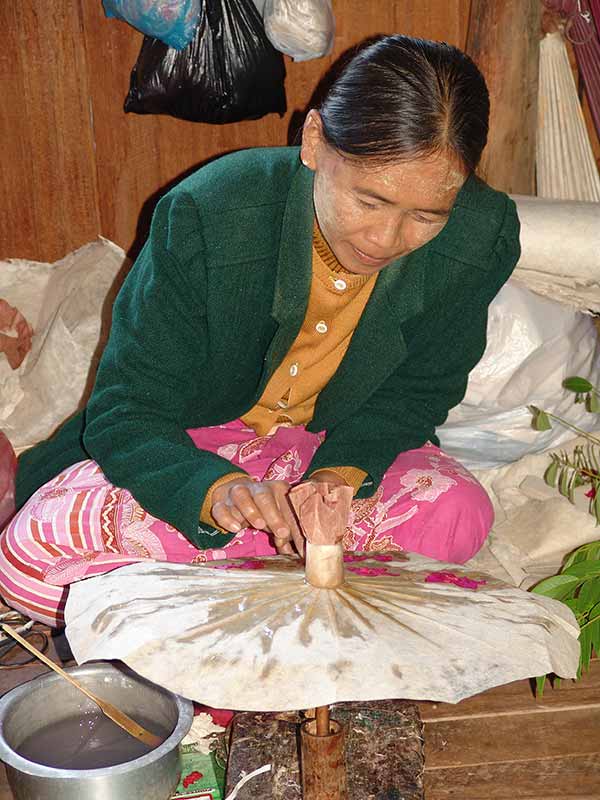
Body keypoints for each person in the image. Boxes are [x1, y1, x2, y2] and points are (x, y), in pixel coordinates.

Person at [0, 34, 520, 627]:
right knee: (30, 558)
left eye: (425, 217)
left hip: (330, 441)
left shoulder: (481, 237)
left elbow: (417, 395)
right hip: (192, 442)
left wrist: (335, 477)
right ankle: (297, 598)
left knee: (460, 513)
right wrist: (215, 491)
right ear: (316, 142)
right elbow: (128, 410)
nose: (385, 240)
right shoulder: (210, 212)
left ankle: (217, 602)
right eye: (368, 200)